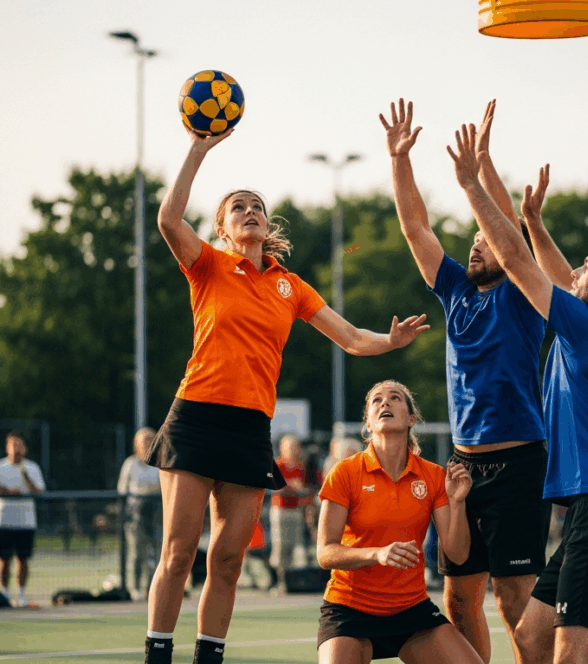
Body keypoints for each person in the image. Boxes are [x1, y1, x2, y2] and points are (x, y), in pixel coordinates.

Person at [141, 124, 429, 664]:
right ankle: (159, 654)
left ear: (267, 224)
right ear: (223, 229)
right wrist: (198, 149)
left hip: (250, 428)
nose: (250, 211)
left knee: (227, 559)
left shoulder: (289, 285)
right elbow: (166, 219)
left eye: (257, 206)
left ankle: (209, 657)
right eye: (238, 207)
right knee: (179, 553)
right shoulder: (207, 265)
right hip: (195, 417)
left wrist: (390, 341)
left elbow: (349, 338)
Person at [445, 122, 588, 664]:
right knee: (534, 638)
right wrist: (534, 221)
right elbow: (555, 272)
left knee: (569, 658)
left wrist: (472, 185)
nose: (576, 271)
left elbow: (517, 264)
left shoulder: (587, 328)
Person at [382, 98, 551, 663]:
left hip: (520, 463)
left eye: (485, 242)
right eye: (473, 242)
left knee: (513, 599)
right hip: (463, 467)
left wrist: (481, 168)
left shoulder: (522, 293)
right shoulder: (455, 290)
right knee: (458, 600)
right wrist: (399, 160)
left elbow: (501, 227)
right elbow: (414, 226)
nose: (477, 245)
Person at [316, 380, 482, 664]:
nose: (385, 403)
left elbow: (457, 554)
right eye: (377, 400)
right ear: (368, 422)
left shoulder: (432, 475)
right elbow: (325, 553)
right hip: (349, 610)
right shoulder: (345, 472)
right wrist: (376, 554)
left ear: (410, 419)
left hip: (411, 610)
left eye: (395, 398)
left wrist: (458, 502)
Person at [0, 430, 45, 607]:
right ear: (7, 447)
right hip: (3, 520)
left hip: (25, 521)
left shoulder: (32, 468)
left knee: (23, 558)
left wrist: (26, 478)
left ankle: (21, 593)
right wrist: (13, 492)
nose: (16, 448)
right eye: (12, 444)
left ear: (25, 448)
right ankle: (5, 592)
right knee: (4, 558)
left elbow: (39, 491)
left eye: (19, 444)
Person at [118, 427, 162, 601]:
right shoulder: (130, 464)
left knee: (156, 552)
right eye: (144, 441)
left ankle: (152, 588)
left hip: (156, 511)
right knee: (137, 551)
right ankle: (135, 588)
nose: (148, 443)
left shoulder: (159, 462)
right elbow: (122, 489)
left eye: (151, 440)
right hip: (136, 512)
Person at [270, 434, 308, 593]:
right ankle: (279, 581)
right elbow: (277, 486)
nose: (292, 450)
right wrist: (292, 487)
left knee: (297, 546)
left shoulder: (300, 466)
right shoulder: (278, 464)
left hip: (296, 510)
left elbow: (303, 488)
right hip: (280, 511)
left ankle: (295, 581)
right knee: (280, 547)